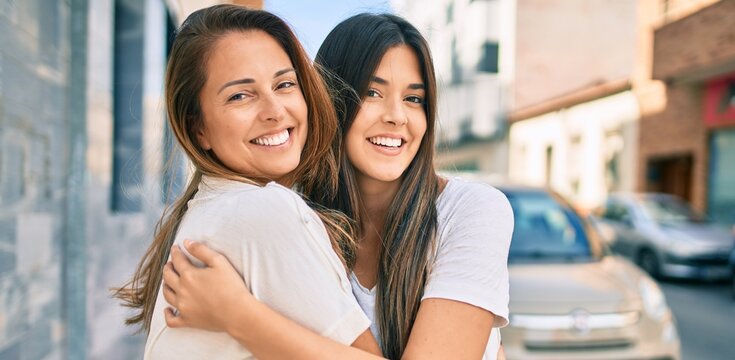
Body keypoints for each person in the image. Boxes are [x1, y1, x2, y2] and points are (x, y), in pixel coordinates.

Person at [162, 12, 513, 360]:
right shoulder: (292, 221)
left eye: (413, 99)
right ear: (330, 98)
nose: (397, 116)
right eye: (372, 92)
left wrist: (238, 316)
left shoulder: (471, 210)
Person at [112, 5, 385, 359]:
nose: (274, 110)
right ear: (199, 128)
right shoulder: (261, 210)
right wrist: (238, 316)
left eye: (285, 84)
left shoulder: (211, 210)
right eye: (240, 95)